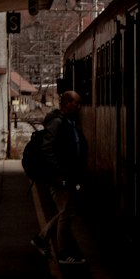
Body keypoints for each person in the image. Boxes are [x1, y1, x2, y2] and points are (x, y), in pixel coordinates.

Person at [30, 90, 88, 264]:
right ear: (67, 103)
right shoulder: (57, 122)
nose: (79, 107)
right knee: (66, 212)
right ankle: (62, 253)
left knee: (67, 211)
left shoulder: (69, 122)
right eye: (76, 103)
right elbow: (46, 148)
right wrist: (58, 170)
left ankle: (42, 239)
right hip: (58, 175)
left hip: (68, 174)